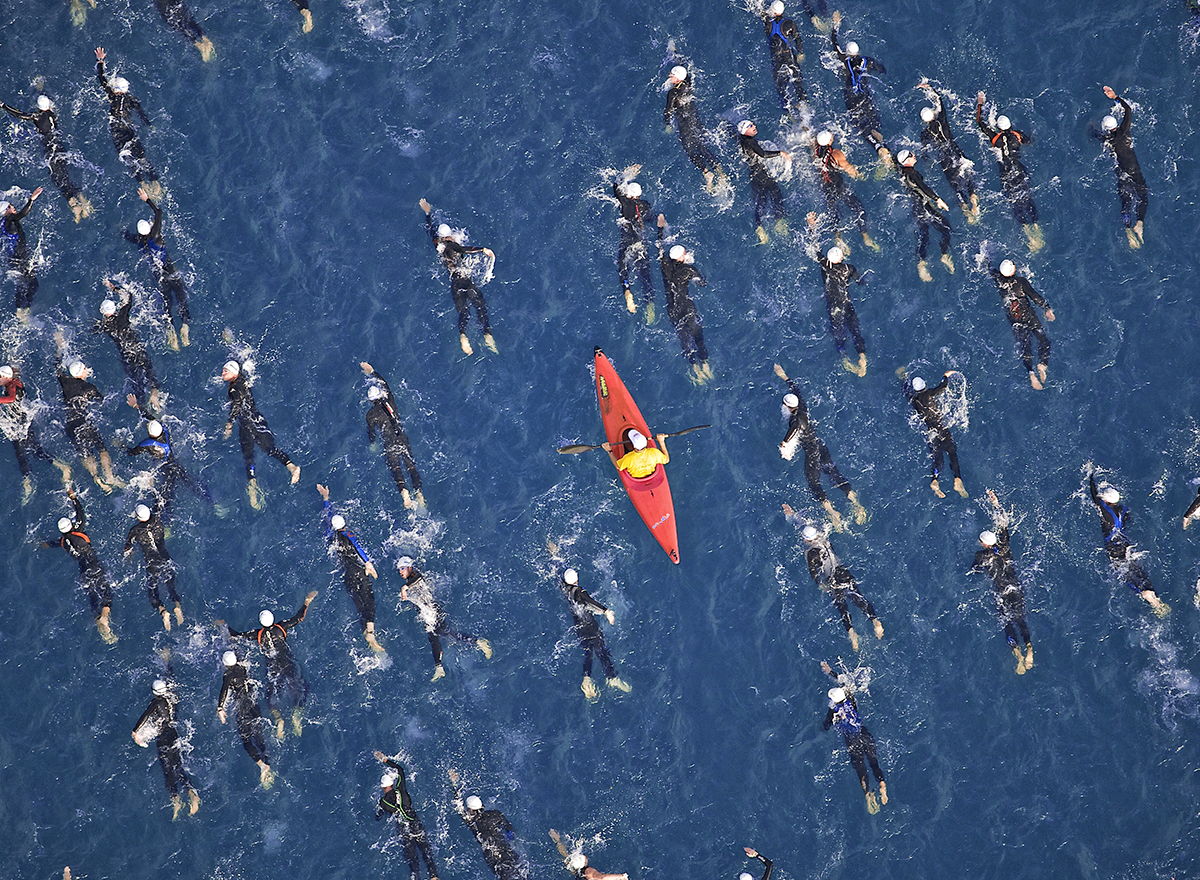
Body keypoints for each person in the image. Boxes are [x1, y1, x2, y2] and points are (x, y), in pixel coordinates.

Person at [773, 364, 865, 527]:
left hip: (812, 452)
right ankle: (857, 504)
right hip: (820, 445)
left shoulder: (795, 421)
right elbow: (796, 390)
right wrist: (783, 375)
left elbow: (793, 430)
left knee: (814, 484)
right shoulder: (802, 407)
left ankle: (833, 513)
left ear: (787, 407)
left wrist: (784, 443)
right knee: (835, 475)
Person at [785, 505, 883, 650]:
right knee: (858, 598)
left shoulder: (810, 553)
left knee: (842, 607)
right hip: (843, 572)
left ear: (805, 540)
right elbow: (809, 524)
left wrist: (821, 586)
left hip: (831, 579)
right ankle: (875, 621)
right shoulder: (824, 539)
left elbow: (814, 574)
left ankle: (852, 633)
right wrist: (795, 515)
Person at [226, 591, 319, 738]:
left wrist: (224, 626)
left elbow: (236, 635)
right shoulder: (281, 627)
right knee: (301, 689)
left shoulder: (258, 634)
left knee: (270, 697)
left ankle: (278, 719)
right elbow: (299, 618)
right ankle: (296, 713)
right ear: (273, 619)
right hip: (288, 663)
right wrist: (307, 601)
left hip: (273, 668)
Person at [418, 198, 497, 355]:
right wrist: (483, 249)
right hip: (465, 280)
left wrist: (428, 213)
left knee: (464, 312)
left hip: (454, 282)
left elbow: (430, 229)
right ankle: (487, 334)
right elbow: (464, 249)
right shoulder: (452, 245)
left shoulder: (438, 244)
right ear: (449, 236)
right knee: (481, 307)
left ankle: (463, 335)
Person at [1086, 465, 1168, 615]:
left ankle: (1142, 593)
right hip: (1125, 544)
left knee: (1124, 574)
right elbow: (1128, 519)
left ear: (1107, 501)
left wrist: (1090, 476)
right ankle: (1152, 592)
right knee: (1137, 570)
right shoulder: (1123, 509)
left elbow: (1093, 495)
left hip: (1113, 546)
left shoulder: (1105, 513)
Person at [38, 488, 117, 643]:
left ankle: (99, 622)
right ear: (71, 526)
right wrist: (72, 496)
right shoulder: (78, 530)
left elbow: (48, 544)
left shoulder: (62, 542)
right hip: (94, 565)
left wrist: (38, 543)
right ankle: (104, 617)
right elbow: (80, 512)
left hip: (83, 571)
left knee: (92, 597)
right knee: (106, 593)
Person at [221, 359, 301, 509]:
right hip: (258, 419)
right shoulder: (242, 379)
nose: (222, 372)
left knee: (248, 457)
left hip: (247, 425)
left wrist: (229, 424)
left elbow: (236, 404)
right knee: (270, 449)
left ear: (234, 373)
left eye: (226, 370)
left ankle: (253, 490)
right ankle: (292, 467)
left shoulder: (233, 390)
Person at [970, 490, 1034, 674]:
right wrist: (996, 504)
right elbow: (1003, 523)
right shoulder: (1005, 546)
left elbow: (975, 570)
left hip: (1001, 592)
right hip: (1015, 588)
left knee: (1007, 623)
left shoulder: (981, 556)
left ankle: (1018, 655)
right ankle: (1029, 649)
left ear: (984, 544)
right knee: (1021, 621)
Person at [397, 556, 492, 681]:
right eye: (399, 569)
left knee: (439, 636)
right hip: (428, 613)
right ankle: (474, 644)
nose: (400, 571)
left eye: (402, 568)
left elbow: (419, 578)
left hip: (433, 611)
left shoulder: (415, 577)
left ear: (409, 567)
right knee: (444, 635)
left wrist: (405, 588)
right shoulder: (410, 580)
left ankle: (475, 643)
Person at [0, 96, 92, 222]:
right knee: (66, 178)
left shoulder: (38, 116)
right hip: (60, 148)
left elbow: (21, 115)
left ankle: (76, 208)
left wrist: (3, 106)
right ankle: (83, 201)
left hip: (52, 152)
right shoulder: (51, 114)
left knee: (59, 181)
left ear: (38, 107)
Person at [318, 483, 384, 652]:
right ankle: (371, 633)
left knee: (359, 606)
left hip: (347, 575)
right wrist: (368, 563)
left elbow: (327, 518)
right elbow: (357, 547)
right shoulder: (348, 534)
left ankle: (366, 634)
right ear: (344, 525)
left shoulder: (331, 536)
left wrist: (326, 498)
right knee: (369, 600)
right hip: (358, 571)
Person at [131, 659, 201, 819]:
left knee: (167, 770)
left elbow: (146, 715)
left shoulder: (156, 702)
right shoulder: (172, 697)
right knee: (178, 766)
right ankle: (192, 793)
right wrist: (168, 663)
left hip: (163, 738)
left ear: (155, 692)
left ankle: (176, 800)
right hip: (174, 734)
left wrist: (135, 731)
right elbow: (172, 679)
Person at [126, 396, 212, 522]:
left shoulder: (148, 443)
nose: (148, 423)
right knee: (190, 483)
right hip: (175, 464)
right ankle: (211, 502)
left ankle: (167, 524)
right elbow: (152, 419)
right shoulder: (164, 429)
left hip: (166, 469)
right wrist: (136, 406)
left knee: (165, 497)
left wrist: (120, 445)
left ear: (151, 434)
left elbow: (132, 452)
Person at [54, 332, 122, 492]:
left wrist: (59, 347)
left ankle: (95, 476)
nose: (87, 370)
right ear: (81, 372)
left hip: (71, 426)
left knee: (86, 453)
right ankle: (109, 476)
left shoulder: (65, 383)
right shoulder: (89, 387)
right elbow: (102, 401)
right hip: (83, 423)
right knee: (101, 449)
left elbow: (56, 366)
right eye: (85, 369)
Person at [976, 92, 1043, 252]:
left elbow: (980, 122)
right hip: (1019, 169)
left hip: (1006, 172)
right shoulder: (1017, 135)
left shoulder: (995, 138)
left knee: (1015, 203)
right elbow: (1029, 142)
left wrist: (980, 104)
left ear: (999, 128)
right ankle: (1036, 225)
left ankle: (1027, 232)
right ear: (1010, 125)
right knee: (1027, 198)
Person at [125, 188, 190, 348]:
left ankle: (171, 332)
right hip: (170, 271)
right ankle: (185, 325)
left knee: (167, 304)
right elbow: (159, 212)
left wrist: (120, 229)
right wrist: (147, 199)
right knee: (181, 297)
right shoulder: (155, 236)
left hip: (158, 276)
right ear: (150, 227)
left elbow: (126, 235)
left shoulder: (138, 240)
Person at [805, 214, 867, 377]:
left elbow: (815, 246)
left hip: (834, 306)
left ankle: (844, 358)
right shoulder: (849, 268)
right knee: (855, 331)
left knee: (839, 335)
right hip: (846, 303)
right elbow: (859, 281)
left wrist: (812, 226)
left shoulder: (824, 265)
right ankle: (862, 357)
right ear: (841, 258)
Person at [94, 48, 161, 199]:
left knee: (129, 159)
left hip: (118, 132)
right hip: (129, 129)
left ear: (116, 90)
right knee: (142, 157)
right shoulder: (132, 100)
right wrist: (149, 125)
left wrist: (100, 61)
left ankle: (144, 185)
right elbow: (142, 115)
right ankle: (156, 185)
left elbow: (101, 79)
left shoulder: (112, 97)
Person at [1, 363, 71, 502]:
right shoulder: (13, 381)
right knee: (34, 450)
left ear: (5, 377)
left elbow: (11, 399)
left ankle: (28, 483)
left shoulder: (12, 386)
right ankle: (61, 466)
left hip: (20, 424)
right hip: (22, 421)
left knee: (22, 453)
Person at [655, 214, 712, 383]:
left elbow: (659, 248)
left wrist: (660, 229)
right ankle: (705, 364)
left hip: (672, 310)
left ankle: (694, 367)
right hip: (687, 307)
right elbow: (702, 283)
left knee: (685, 340)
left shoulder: (664, 265)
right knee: (698, 337)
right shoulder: (688, 269)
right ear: (683, 255)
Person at [558, 565, 630, 699]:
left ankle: (586, 679)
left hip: (579, 626)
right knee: (601, 649)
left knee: (589, 652)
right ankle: (612, 678)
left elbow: (558, 573)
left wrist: (554, 558)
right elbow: (589, 600)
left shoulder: (564, 588)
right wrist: (606, 611)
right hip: (590, 625)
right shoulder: (579, 591)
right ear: (576, 579)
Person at [829, 12, 891, 166]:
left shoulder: (844, 61)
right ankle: (881, 141)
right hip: (865, 96)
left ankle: (877, 147)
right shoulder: (867, 61)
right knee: (873, 122)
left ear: (848, 53)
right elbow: (882, 69)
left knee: (861, 126)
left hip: (851, 98)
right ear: (859, 52)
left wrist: (835, 26)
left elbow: (834, 44)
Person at [361, 362, 425, 509]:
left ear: (370, 400)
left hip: (389, 442)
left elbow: (371, 433)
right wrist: (372, 371)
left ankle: (404, 493)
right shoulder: (390, 402)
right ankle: (419, 495)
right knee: (411, 468)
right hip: (401, 437)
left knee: (396, 469)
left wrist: (372, 444)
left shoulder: (370, 415)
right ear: (381, 395)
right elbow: (385, 385)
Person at [915, 81, 979, 222]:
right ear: (933, 115)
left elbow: (925, 152)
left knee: (956, 187)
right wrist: (929, 88)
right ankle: (974, 202)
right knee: (967, 175)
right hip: (955, 151)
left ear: (924, 121)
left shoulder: (924, 134)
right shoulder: (942, 121)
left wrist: (926, 161)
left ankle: (966, 212)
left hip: (944, 158)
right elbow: (941, 103)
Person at [987, 258, 1054, 389]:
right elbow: (1035, 297)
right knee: (1043, 340)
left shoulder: (998, 280)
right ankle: (1042, 364)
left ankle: (1031, 373)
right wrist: (1047, 308)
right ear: (1013, 270)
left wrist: (985, 259)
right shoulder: (1021, 282)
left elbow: (989, 269)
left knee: (1025, 346)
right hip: (1028, 315)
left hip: (1015, 319)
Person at [449, 771, 528, 880]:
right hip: (506, 850)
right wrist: (510, 839)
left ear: (471, 810)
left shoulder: (472, 821)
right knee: (522, 875)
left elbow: (458, 805)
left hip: (493, 855)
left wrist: (454, 784)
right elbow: (510, 830)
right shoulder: (496, 814)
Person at [93, 279, 160, 409]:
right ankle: (154, 393)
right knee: (148, 368)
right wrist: (113, 288)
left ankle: (140, 404)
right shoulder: (122, 316)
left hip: (126, 355)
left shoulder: (104, 325)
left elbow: (93, 330)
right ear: (114, 309)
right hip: (136, 348)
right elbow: (128, 297)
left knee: (136, 381)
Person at [373, 750, 439, 880]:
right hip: (415, 824)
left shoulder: (383, 802)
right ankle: (434, 876)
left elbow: (379, 816)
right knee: (426, 853)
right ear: (392, 784)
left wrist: (379, 815)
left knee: (412, 861)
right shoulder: (401, 789)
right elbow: (400, 770)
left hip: (404, 829)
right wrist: (384, 759)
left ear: (383, 788)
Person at [1096, 86, 1147, 249]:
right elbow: (1128, 110)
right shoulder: (1124, 132)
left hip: (1122, 173)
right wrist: (1115, 97)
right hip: (1134, 170)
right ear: (1117, 125)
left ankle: (1128, 231)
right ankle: (1139, 223)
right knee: (1142, 196)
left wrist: (1090, 129)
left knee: (1126, 202)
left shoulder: (1106, 139)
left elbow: (1095, 135)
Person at [822, 685, 887, 813]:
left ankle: (868, 795)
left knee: (860, 768)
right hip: (865, 734)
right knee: (874, 763)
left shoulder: (834, 711)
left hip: (853, 741)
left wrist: (824, 725)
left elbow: (826, 726)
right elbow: (847, 686)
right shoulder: (850, 699)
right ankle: (883, 786)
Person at [902, 370, 967, 498]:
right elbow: (942, 386)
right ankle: (957, 479)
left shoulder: (914, 400)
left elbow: (906, 392)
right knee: (951, 452)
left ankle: (935, 479)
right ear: (924, 386)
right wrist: (946, 375)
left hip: (930, 431)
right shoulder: (929, 394)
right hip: (941, 428)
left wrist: (903, 380)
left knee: (937, 457)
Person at [662, 65, 726, 192]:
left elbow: (668, 111)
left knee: (690, 150)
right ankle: (721, 173)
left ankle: (707, 172)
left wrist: (667, 125)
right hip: (695, 120)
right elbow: (686, 72)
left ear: (677, 78)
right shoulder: (687, 84)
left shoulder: (673, 92)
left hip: (684, 124)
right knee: (702, 146)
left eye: (672, 74)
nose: (669, 76)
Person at [217, 650, 275, 788]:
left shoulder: (227, 675)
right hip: (254, 705)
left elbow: (224, 689)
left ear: (225, 665)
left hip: (242, 708)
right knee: (259, 736)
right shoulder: (243, 667)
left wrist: (220, 708)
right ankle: (267, 763)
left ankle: (262, 765)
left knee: (246, 740)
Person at [893, 150, 954, 282]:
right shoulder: (913, 174)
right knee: (945, 227)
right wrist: (938, 200)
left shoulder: (902, 171)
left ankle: (921, 264)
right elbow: (924, 187)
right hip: (925, 206)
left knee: (924, 235)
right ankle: (944, 255)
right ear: (907, 160)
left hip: (916, 207)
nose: (914, 155)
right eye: (911, 155)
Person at [811, 131, 878, 251]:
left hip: (825, 186)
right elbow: (851, 171)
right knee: (858, 208)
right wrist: (862, 176)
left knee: (833, 212)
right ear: (830, 141)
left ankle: (837, 237)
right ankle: (865, 237)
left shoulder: (815, 149)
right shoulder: (836, 154)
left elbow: (809, 137)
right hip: (838, 185)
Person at [123, 501, 182, 630]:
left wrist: (128, 559)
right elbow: (159, 503)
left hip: (152, 563)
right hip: (165, 558)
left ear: (137, 517)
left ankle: (163, 611)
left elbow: (128, 548)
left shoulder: (134, 531)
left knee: (153, 592)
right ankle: (177, 605)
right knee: (171, 585)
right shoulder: (157, 519)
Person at [736, 119, 791, 244]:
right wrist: (781, 153)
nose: (754, 126)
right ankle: (779, 222)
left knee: (761, 200)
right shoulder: (750, 141)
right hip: (761, 173)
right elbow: (763, 154)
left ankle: (759, 226)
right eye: (750, 126)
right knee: (776, 194)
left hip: (754, 173)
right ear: (745, 131)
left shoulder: (743, 139)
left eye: (753, 124)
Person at [611, 165, 656, 318]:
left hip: (627, 240)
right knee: (645, 275)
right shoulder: (645, 205)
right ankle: (649, 303)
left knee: (623, 267)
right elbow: (650, 219)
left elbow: (616, 188)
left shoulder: (625, 203)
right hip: (640, 242)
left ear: (628, 194)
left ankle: (627, 291)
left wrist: (625, 174)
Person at [759, 1, 806, 119]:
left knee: (781, 87)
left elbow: (759, 9)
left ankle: (788, 113)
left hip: (776, 58)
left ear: (773, 12)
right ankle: (803, 104)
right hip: (789, 56)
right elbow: (797, 40)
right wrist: (800, 53)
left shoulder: (767, 22)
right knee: (797, 81)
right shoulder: (789, 23)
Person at [2, 187, 43, 318]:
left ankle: (20, 310)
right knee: (33, 284)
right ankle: (24, 309)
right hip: (20, 258)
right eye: (10, 206)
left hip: (15, 258)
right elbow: (22, 214)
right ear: (5, 211)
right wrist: (31, 200)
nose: (13, 207)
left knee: (22, 283)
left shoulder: (4, 223)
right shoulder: (10, 220)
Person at [549, 828, 628, 880]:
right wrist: (622, 876)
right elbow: (601, 878)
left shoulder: (577, 872)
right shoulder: (588, 871)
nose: (586, 857)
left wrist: (558, 841)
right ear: (584, 863)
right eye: (585, 858)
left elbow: (565, 855)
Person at [603, 428, 669, 479]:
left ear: (634, 446)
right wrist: (661, 442)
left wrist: (609, 451)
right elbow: (666, 460)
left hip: (635, 477)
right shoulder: (654, 452)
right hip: (651, 475)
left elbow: (618, 466)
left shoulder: (628, 458)